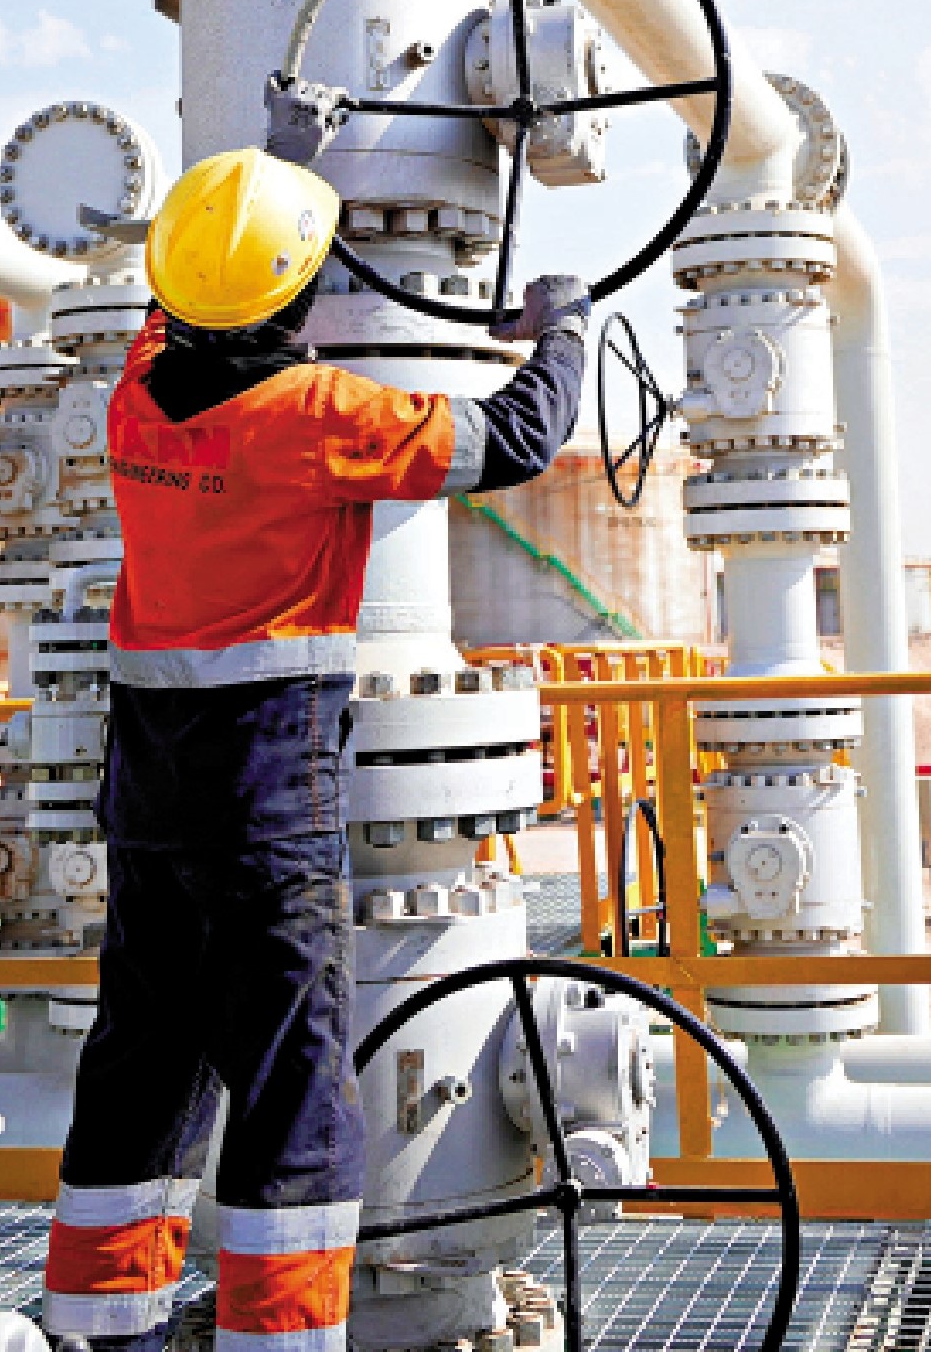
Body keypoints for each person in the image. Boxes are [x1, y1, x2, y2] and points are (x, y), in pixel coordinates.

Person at [40, 147, 592, 1352]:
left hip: (147, 801)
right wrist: (566, 327)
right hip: (263, 803)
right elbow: (513, 439)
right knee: (293, 1093)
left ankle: (99, 1328)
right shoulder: (313, 416)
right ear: (295, 293)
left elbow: (185, 300)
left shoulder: (134, 394)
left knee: (141, 1069)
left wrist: (276, 170)